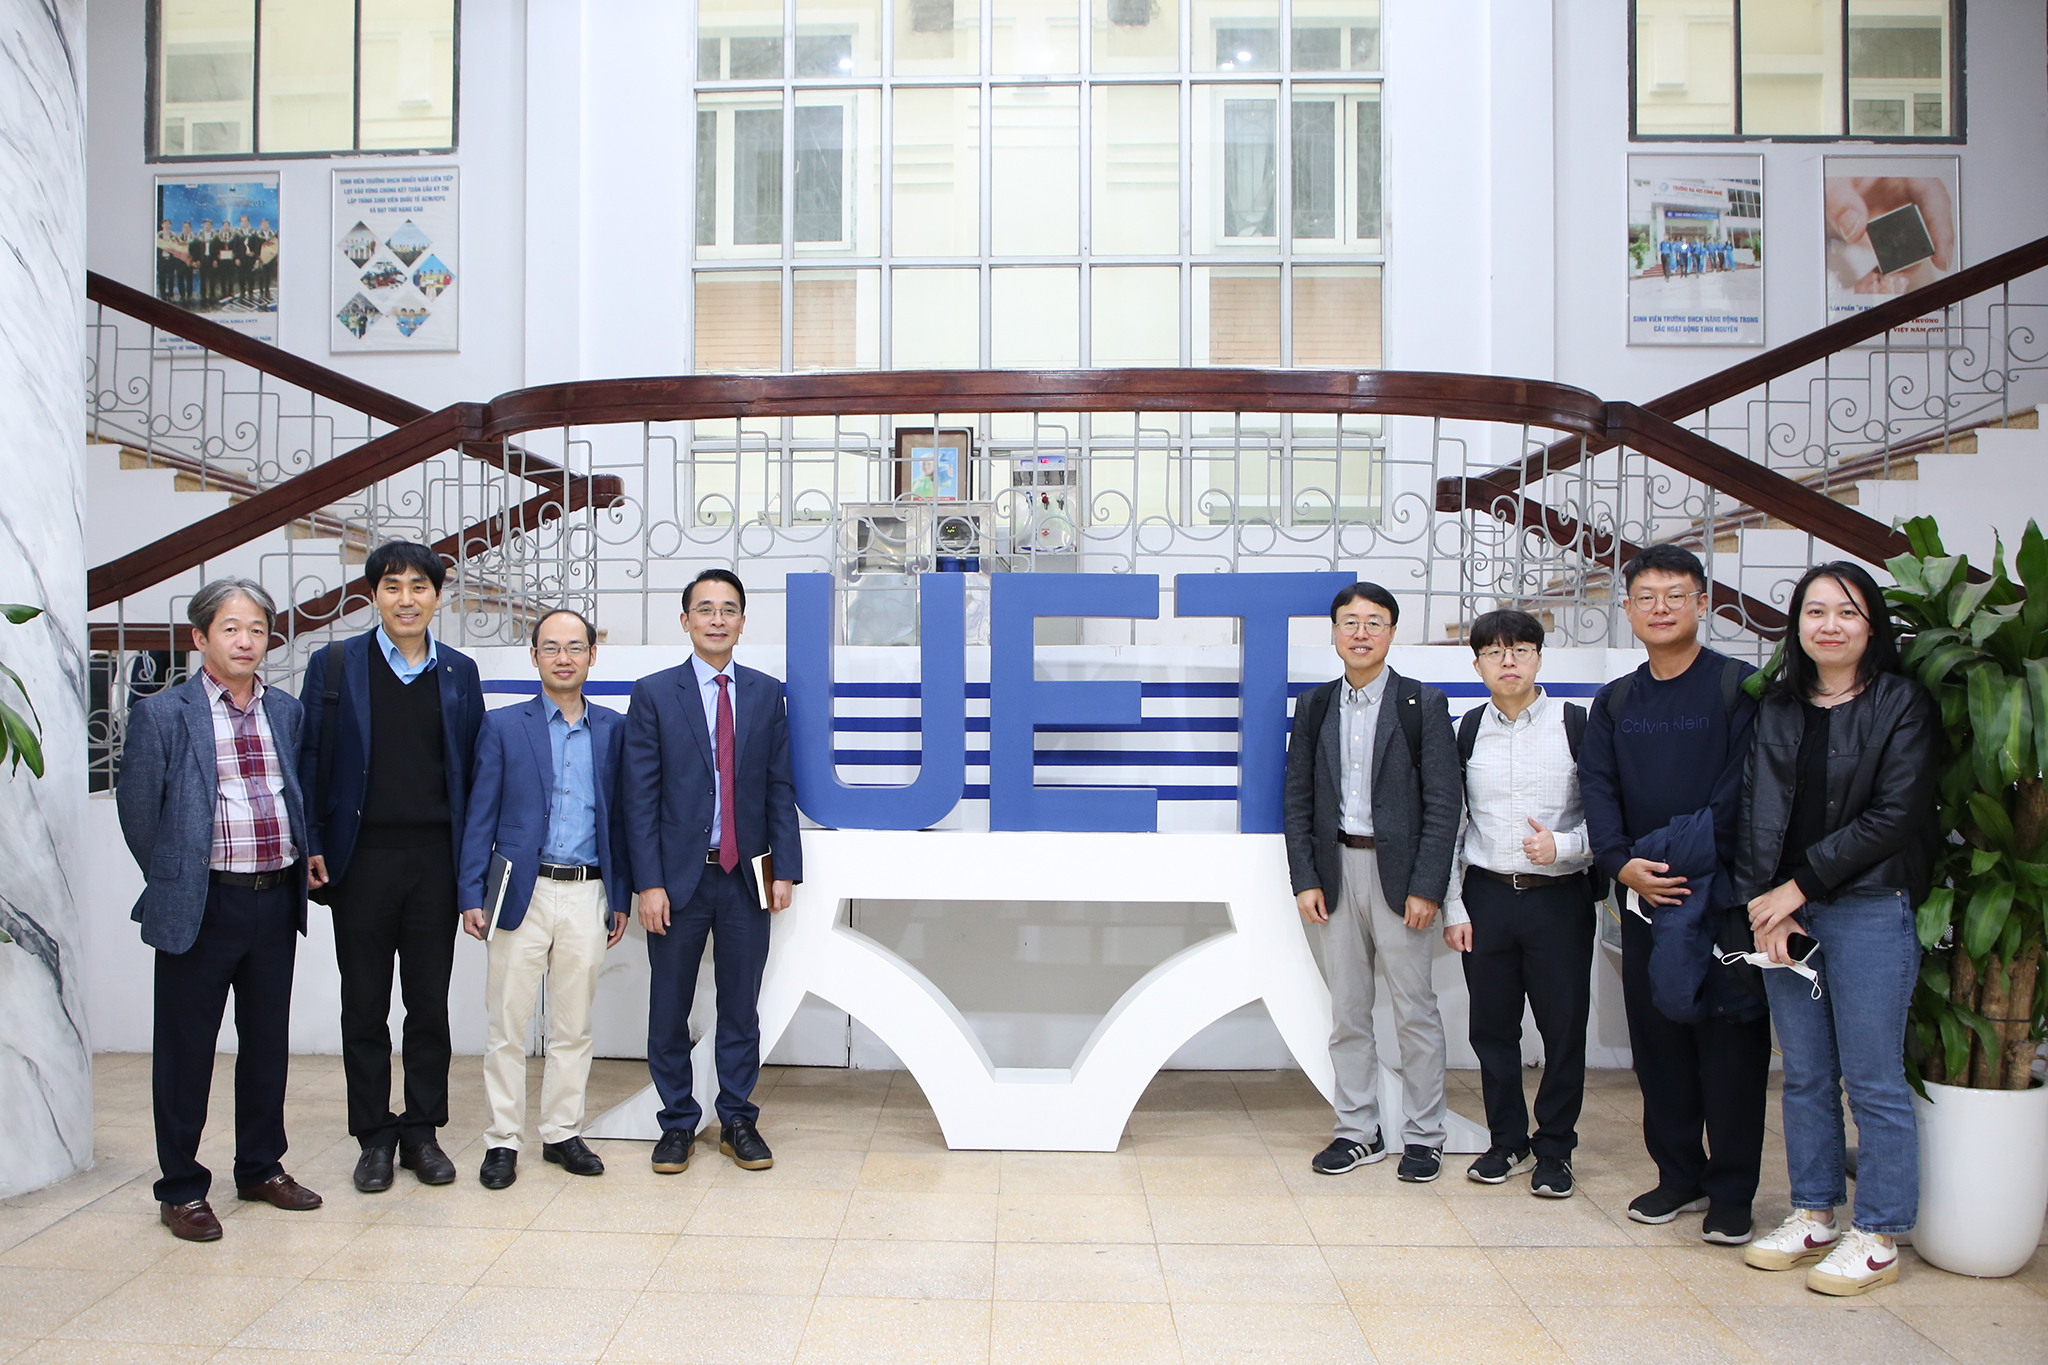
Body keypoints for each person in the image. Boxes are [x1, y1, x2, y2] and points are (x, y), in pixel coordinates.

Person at [1734, 562, 1938, 1295]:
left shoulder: (1901, 704)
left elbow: (1895, 816)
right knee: (1806, 1075)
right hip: (1786, 912)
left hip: (1870, 906)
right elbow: (1754, 812)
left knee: (1873, 1078)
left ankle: (1878, 1231)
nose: (1829, 625)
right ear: (1796, 625)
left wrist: (1797, 887)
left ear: (1871, 624)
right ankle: (1815, 1212)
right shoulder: (1779, 706)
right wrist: (1767, 904)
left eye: (1846, 611)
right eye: (1815, 611)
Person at [116, 579, 323, 1241]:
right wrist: (176, 881)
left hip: (274, 898)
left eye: (257, 629)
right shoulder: (163, 713)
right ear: (200, 637)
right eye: (231, 628)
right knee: (187, 1053)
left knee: (265, 1045)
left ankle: (260, 1166)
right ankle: (180, 1188)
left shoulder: (284, 710)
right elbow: (138, 813)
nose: (245, 641)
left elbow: (294, 795)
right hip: (201, 904)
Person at [1579, 543, 1770, 1246]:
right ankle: (1679, 1175)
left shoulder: (1738, 688)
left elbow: (1742, 793)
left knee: (1730, 1048)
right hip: (1644, 898)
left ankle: (1732, 1192)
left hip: (1723, 900)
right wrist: (1621, 864)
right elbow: (1598, 789)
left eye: (1675, 595)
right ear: (1628, 610)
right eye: (1646, 597)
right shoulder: (1616, 700)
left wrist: (1664, 858)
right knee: (1658, 1043)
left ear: (1701, 603)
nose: (1660, 608)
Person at [299, 541, 485, 1194]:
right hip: (362, 860)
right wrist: (312, 841)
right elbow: (310, 758)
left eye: (418, 587)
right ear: (373, 595)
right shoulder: (335, 664)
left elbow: (473, 773)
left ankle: (423, 1130)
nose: (406, 599)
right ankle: (374, 1136)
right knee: (364, 1004)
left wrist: (473, 869)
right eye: (392, 586)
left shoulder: (460, 671)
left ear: (438, 595)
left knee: (428, 1004)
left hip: (436, 860)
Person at [1284, 582, 1462, 1181]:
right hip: (1335, 873)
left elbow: (1444, 804)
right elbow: (1298, 798)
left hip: (1401, 879)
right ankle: (1357, 1130)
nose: (1361, 633)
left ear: (1392, 631)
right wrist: (1306, 877)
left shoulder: (1422, 704)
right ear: (1334, 631)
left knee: (1415, 1012)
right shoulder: (1315, 706)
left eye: (1374, 622)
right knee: (1349, 1012)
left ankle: (1425, 1135)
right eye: (1350, 622)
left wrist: (1428, 886)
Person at [625, 569, 801, 1174]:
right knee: (669, 1007)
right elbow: (639, 799)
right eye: (705, 609)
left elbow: (779, 787)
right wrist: (648, 882)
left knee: (741, 1006)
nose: (717, 619)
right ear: (686, 621)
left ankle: (737, 1120)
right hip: (678, 880)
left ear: (743, 622)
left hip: (746, 878)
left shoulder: (766, 693)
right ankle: (677, 1122)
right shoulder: (654, 693)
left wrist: (783, 869)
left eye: (728, 609)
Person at [460, 609, 633, 1189]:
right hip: (520, 890)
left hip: (588, 891)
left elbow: (624, 821)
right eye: (552, 647)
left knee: (572, 1025)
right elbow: (480, 814)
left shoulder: (614, 729)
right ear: (534, 656)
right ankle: (502, 1140)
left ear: (592, 656)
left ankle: (561, 1133)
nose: (564, 657)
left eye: (575, 647)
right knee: (507, 1025)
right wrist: (470, 891)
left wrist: (621, 895)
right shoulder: (504, 726)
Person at [1441, 609, 1597, 1199]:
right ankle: (1507, 1141)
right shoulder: (1466, 730)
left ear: (1538, 658)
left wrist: (1565, 846)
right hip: (1486, 898)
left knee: (1563, 1031)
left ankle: (1555, 1148)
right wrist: (1454, 906)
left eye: (1521, 650)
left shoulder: (1575, 724)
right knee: (1492, 1030)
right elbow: (1452, 827)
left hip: (1558, 899)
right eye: (1495, 652)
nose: (1508, 662)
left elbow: (1610, 819)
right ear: (1477, 663)